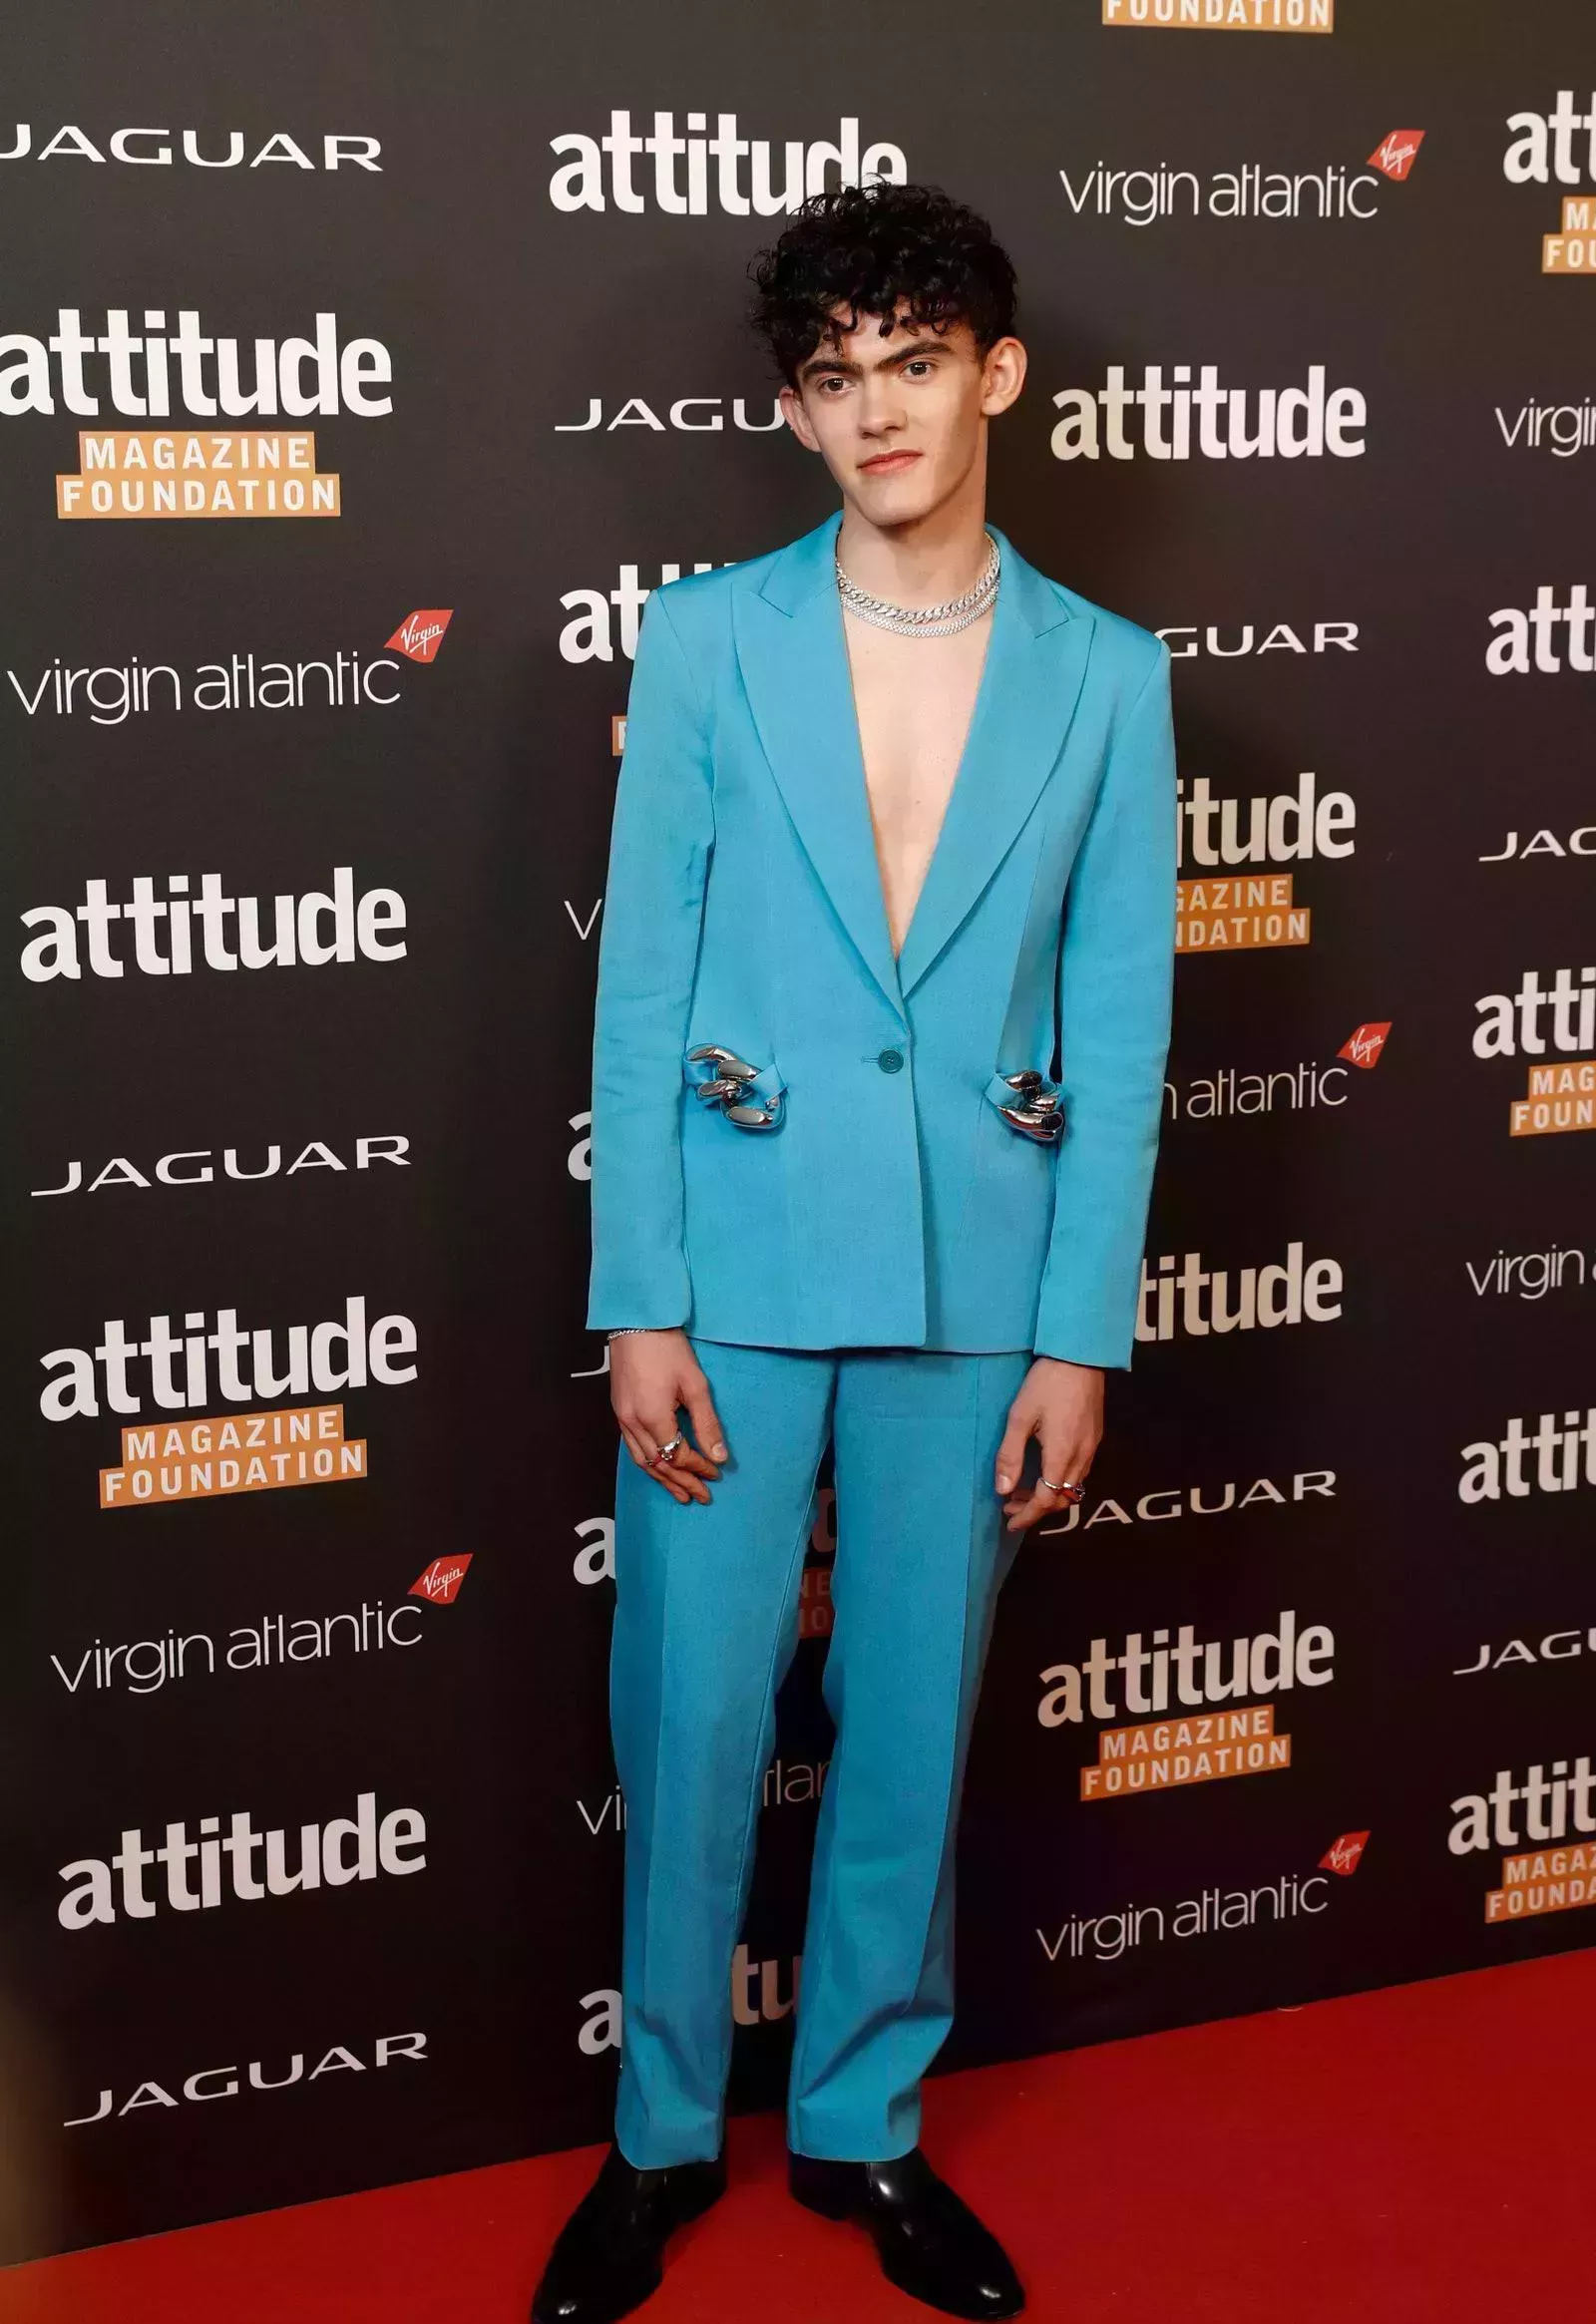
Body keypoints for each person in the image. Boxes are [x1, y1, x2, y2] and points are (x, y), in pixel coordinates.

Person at [532, 180, 1177, 2324]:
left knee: (911, 1718)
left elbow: (1119, 1020)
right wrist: (639, 1293)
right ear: (797, 412)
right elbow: (641, 989)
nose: (875, 408)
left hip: (978, 1300)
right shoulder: (707, 635)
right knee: (690, 1714)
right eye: (832, 376)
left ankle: (862, 2130)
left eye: (914, 361)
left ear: (992, 376)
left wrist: (1074, 1333)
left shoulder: (1109, 675)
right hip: (728, 1278)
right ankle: (649, 2144)